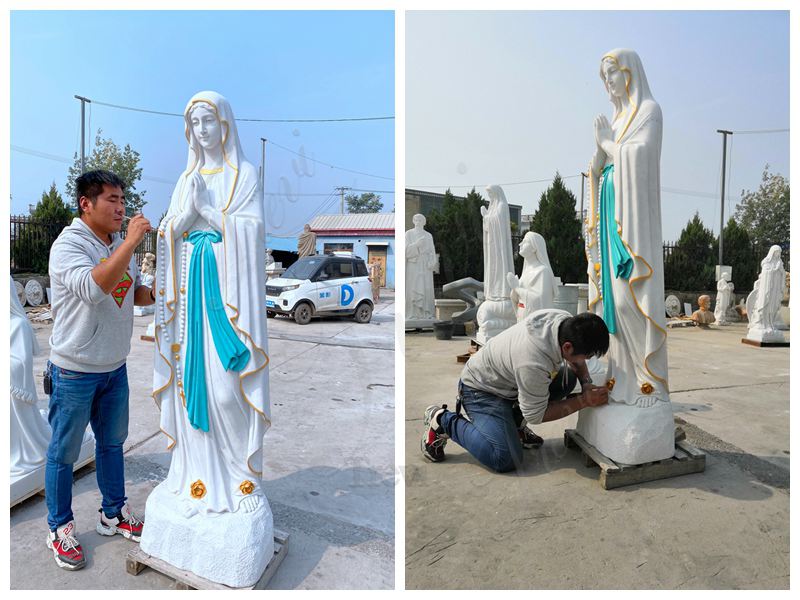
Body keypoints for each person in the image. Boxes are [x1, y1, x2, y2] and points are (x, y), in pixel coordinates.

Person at [150, 90, 271, 517]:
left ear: (224, 125)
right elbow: (169, 235)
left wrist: (206, 209)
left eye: (208, 122)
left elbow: (252, 236)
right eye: (194, 124)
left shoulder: (245, 176)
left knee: (226, 392)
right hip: (189, 305)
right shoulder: (186, 180)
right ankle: (195, 478)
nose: (201, 132)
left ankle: (241, 477)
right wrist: (181, 221)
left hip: (227, 303)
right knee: (188, 393)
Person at [45, 169, 153, 570]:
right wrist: (128, 244)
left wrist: (163, 288)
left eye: (123, 200)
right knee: (64, 453)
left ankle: (113, 513)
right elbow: (95, 287)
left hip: (114, 366)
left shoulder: (117, 244)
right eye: (111, 199)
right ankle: (59, 527)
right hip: (74, 369)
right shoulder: (69, 245)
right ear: (85, 204)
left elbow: (132, 291)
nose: (121, 207)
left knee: (112, 445)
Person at [583, 48, 669, 407]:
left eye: (612, 74)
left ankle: (648, 380)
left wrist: (607, 144)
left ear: (630, 73)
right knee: (612, 304)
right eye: (604, 77)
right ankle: (622, 376)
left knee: (628, 296)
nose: (608, 83)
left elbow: (640, 158)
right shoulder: (617, 121)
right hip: (609, 216)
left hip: (631, 223)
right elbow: (600, 168)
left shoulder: (649, 111)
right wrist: (599, 156)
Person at [421, 310, 610, 472]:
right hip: (481, 392)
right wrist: (584, 401)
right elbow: (536, 415)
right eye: (587, 356)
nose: (585, 360)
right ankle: (443, 421)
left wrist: (586, 383)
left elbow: (575, 361)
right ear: (567, 347)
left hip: (509, 383)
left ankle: (515, 421)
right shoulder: (532, 361)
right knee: (504, 458)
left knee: (567, 379)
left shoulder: (564, 321)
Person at [405, 214, 436, 320]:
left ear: (424, 222)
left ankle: (427, 313)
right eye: (416, 220)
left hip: (425, 264)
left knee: (426, 287)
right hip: (413, 264)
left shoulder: (428, 235)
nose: (418, 221)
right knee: (414, 287)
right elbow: (406, 251)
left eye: (420, 220)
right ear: (413, 221)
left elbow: (432, 251)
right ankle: (413, 313)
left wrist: (432, 261)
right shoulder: (408, 234)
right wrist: (416, 245)